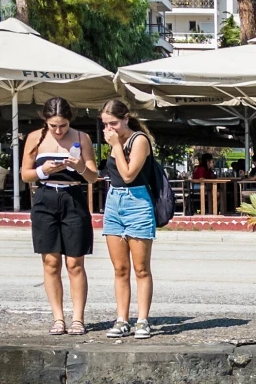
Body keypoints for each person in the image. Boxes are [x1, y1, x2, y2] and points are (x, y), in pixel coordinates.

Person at [21, 97, 97, 336]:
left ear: (69, 121)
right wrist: (44, 170)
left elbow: (93, 177)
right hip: (45, 198)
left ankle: (78, 318)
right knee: (50, 262)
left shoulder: (82, 138)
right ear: (46, 121)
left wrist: (79, 166)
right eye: (53, 125)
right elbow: (25, 174)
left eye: (62, 125)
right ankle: (58, 318)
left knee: (75, 262)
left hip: (73, 197)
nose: (58, 130)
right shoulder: (35, 138)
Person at [101, 99, 157, 340]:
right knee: (120, 268)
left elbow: (128, 174)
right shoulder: (114, 140)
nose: (109, 129)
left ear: (125, 119)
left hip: (137, 201)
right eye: (105, 125)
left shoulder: (139, 141)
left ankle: (142, 319)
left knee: (141, 268)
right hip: (114, 202)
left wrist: (115, 146)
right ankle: (122, 318)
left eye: (113, 123)